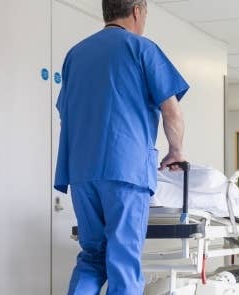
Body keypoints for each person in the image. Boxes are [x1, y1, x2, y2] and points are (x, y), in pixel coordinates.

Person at [53, 0, 190, 293]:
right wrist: (176, 151)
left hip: (81, 172)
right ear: (138, 11)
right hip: (125, 172)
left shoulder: (75, 55)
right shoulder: (142, 49)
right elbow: (172, 110)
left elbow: (65, 113)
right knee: (123, 259)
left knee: (92, 256)